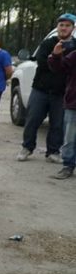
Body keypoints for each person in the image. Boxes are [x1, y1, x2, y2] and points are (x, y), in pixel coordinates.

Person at [18, 14, 75, 162]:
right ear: (57, 27)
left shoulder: (75, 46)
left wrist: (59, 62)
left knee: (57, 124)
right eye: (61, 25)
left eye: (67, 25)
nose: (64, 28)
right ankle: (27, 147)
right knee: (32, 120)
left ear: (72, 28)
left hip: (62, 93)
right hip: (41, 90)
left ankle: (53, 152)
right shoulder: (48, 43)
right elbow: (42, 62)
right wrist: (60, 62)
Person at [48, 22, 76, 179]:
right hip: (74, 103)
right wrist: (56, 55)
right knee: (70, 138)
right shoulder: (74, 54)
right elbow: (59, 68)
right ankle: (68, 165)